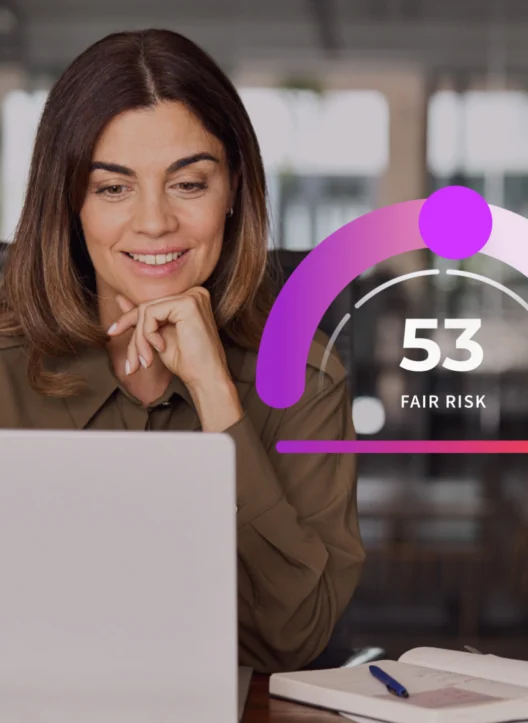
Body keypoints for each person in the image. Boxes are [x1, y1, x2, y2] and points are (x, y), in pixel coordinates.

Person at [0, 29, 364, 673]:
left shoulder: (304, 380)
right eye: (112, 188)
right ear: (68, 206)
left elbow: (294, 638)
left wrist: (219, 400)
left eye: (188, 184)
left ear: (233, 194)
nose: (154, 222)